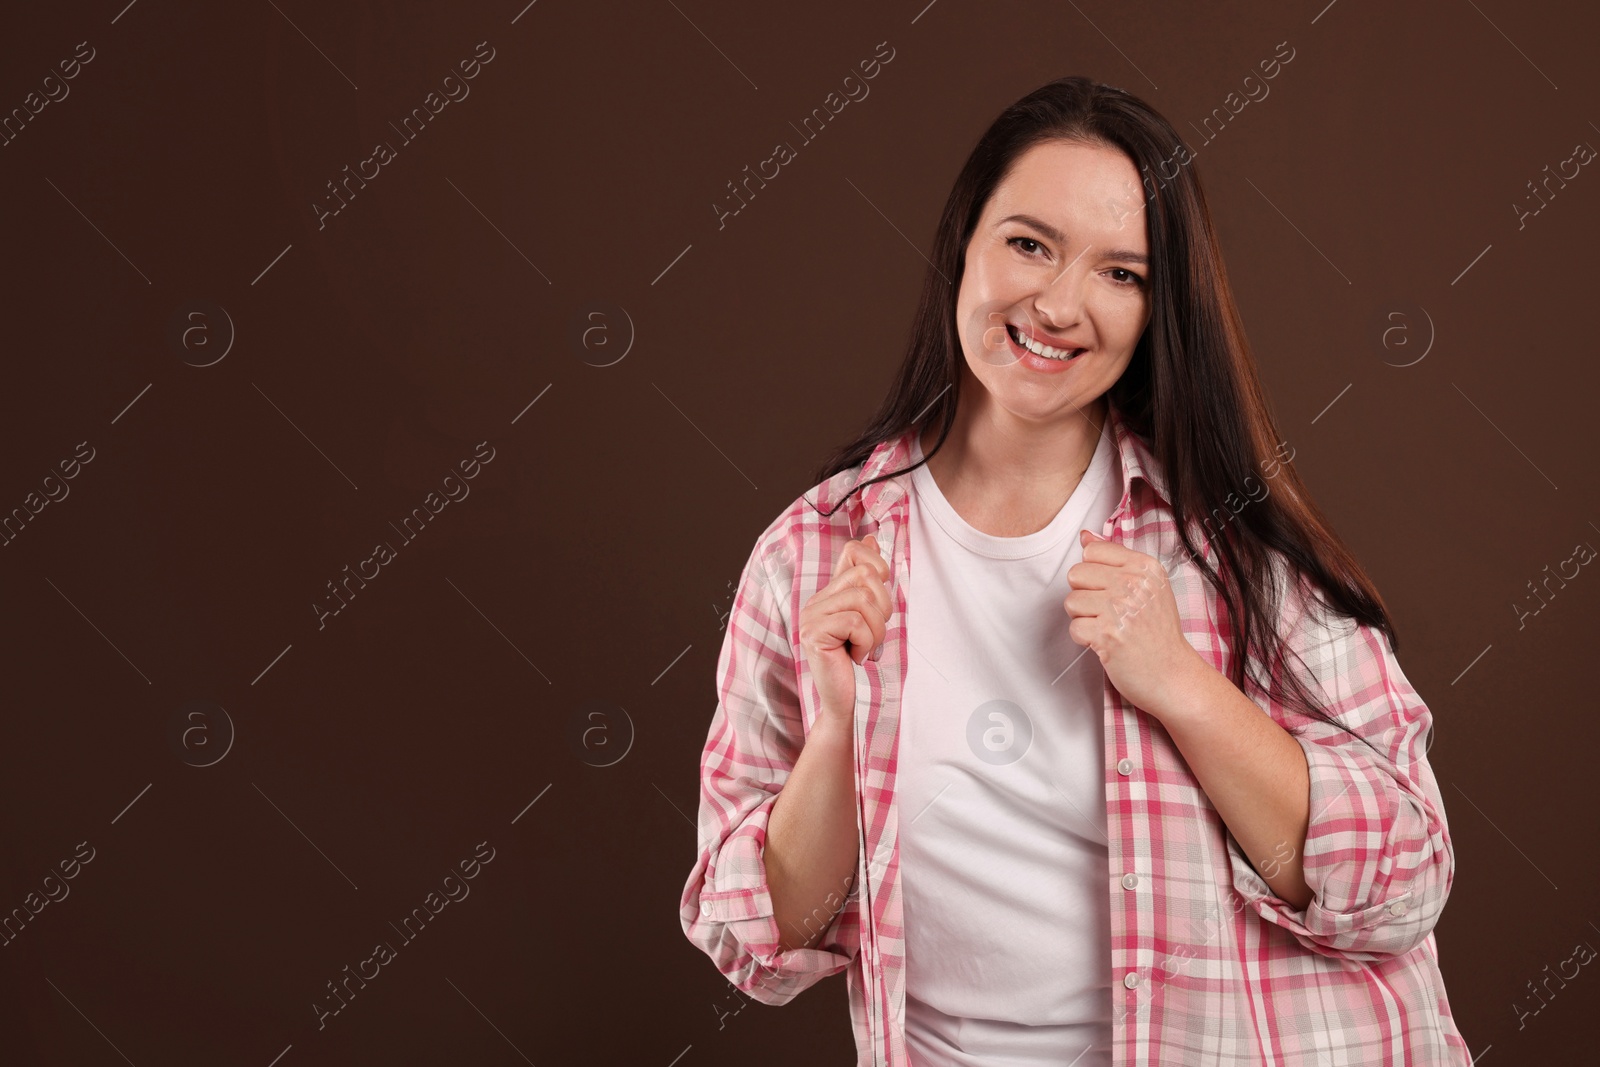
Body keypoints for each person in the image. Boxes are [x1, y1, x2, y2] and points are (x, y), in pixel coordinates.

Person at [679, 75, 1471, 1066]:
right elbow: (755, 938)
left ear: (1154, 311)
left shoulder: (1225, 542)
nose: (1056, 303)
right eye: (1028, 243)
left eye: (1121, 273)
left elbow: (1404, 879)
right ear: (962, 241)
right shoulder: (809, 555)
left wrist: (1181, 685)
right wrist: (835, 732)